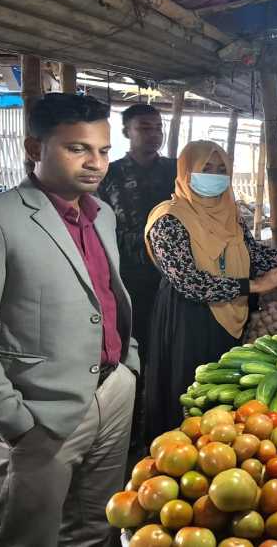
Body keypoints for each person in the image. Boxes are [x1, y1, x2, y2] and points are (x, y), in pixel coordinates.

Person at [0, 93, 138, 547]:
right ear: (34, 148)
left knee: (97, 524)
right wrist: (11, 419)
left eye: (104, 150)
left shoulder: (101, 215)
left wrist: (129, 365)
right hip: (39, 410)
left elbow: (109, 294)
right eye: (77, 148)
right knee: (31, 535)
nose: (95, 163)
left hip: (112, 389)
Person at [144, 141, 277, 440]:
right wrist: (255, 286)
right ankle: (177, 452)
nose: (215, 175)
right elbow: (190, 281)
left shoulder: (230, 214)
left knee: (223, 389)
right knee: (189, 391)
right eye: (206, 169)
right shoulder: (168, 219)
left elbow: (257, 257)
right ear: (186, 172)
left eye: (222, 169)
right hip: (189, 318)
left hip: (231, 309)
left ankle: (222, 450)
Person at [97, 104, 176, 360]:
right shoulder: (108, 174)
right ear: (126, 131)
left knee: (171, 338)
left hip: (175, 269)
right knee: (133, 337)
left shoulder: (176, 171)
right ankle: (136, 392)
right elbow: (98, 223)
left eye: (158, 127)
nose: (154, 134)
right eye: (144, 127)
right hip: (127, 272)